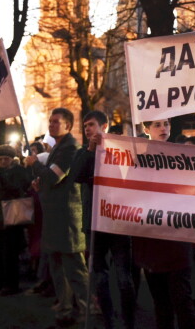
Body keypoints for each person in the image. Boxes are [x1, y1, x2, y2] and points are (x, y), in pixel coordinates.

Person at [25, 107, 88, 327]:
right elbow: (49, 178)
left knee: (74, 268)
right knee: (57, 266)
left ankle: (87, 312)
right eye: (50, 121)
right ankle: (65, 309)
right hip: (54, 217)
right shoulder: (59, 147)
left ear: (68, 126)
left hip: (66, 218)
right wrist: (38, 181)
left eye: (56, 122)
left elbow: (53, 177)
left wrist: (36, 166)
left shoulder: (70, 148)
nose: (51, 125)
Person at [75, 110, 137, 329]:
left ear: (105, 126)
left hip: (118, 222)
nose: (88, 129)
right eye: (85, 126)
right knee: (100, 278)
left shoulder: (120, 150)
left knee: (124, 278)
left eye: (91, 125)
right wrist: (91, 151)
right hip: (94, 223)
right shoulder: (84, 152)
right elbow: (77, 176)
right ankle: (109, 320)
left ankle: (129, 320)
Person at [133, 119, 195, 329]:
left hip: (177, 239)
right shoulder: (139, 161)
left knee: (182, 300)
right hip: (151, 242)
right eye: (157, 125)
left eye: (166, 124)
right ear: (146, 130)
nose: (163, 129)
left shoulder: (180, 158)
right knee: (161, 304)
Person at [0, 145, 32, 295]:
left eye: (5, 159)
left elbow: (15, 188)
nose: (2, 162)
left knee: (10, 253)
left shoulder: (19, 171)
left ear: (11, 159)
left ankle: (11, 284)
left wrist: (0, 176)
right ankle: (1, 280)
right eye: (0, 159)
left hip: (13, 216)